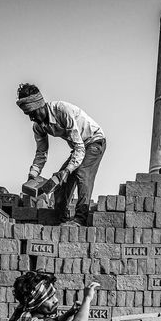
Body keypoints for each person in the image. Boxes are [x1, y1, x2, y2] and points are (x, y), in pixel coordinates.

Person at [16, 83, 106, 226]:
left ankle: (80, 219)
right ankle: (61, 220)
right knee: (59, 183)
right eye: (28, 115)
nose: (31, 118)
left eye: (33, 114)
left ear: (40, 105)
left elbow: (79, 147)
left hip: (94, 141)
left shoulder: (62, 111)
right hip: (79, 148)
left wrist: (67, 170)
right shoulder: (38, 126)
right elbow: (41, 153)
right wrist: (33, 175)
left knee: (81, 173)